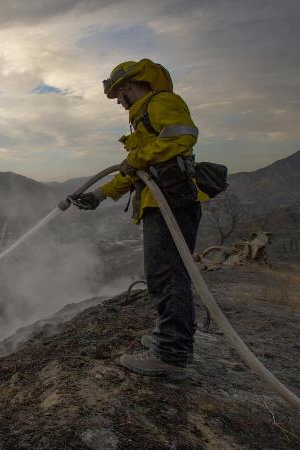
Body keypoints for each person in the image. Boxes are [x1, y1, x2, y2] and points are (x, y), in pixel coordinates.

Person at [71, 59, 207, 379]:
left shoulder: (161, 103)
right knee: (164, 274)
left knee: (167, 276)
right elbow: (137, 173)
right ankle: (170, 336)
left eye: (120, 95)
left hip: (171, 204)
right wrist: (100, 195)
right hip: (162, 202)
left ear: (130, 86)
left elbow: (183, 136)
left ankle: (171, 354)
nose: (119, 103)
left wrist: (137, 158)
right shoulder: (144, 118)